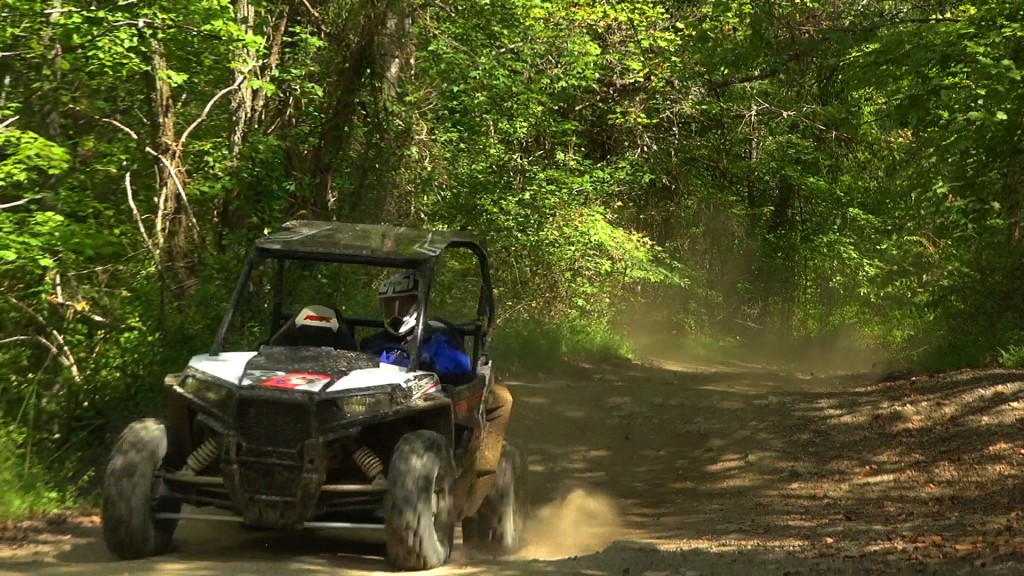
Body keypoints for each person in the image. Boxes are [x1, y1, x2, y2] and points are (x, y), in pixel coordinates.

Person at [360, 270, 513, 512]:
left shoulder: (439, 339)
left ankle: (433, 490)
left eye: (404, 304)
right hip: (373, 408)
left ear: (417, 304)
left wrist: (429, 363)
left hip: (427, 413)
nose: (397, 312)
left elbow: (462, 372)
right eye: (390, 306)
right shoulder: (375, 342)